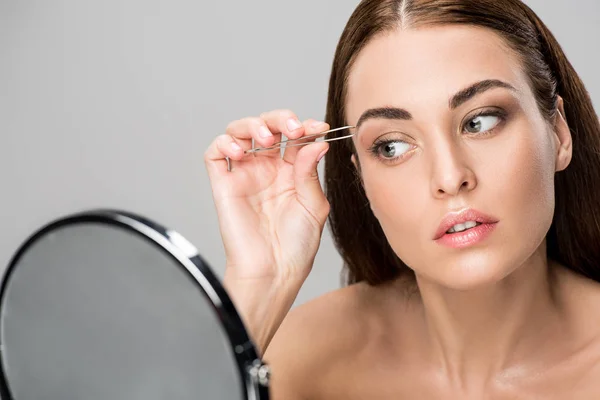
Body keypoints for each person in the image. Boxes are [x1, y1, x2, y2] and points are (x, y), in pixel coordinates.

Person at [205, 0, 600, 398]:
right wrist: (258, 289)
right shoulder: (290, 358)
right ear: (361, 178)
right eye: (392, 146)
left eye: (480, 122)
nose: (449, 177)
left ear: (558, 133)